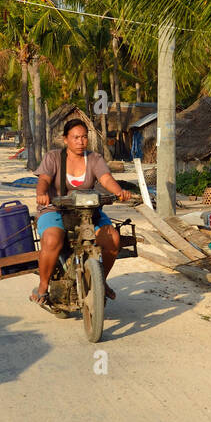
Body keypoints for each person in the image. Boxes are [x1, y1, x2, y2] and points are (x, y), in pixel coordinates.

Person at [31, 120, 131, 306]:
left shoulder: (94, 158)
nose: (81, 141)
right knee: (52, 239)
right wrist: (41, 194)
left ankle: (100, 281)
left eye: (84, 137)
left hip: (88, 210)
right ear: (66, 139)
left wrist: (118, 192)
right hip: (55, 208)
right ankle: (43, 286)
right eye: (76, 137)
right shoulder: (53, 157)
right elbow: (44, 179)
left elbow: (106, 178)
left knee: (113, 239)